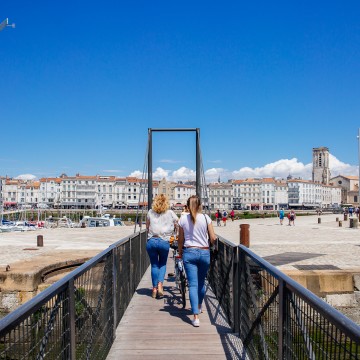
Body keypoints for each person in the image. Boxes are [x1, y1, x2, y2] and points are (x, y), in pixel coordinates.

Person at [178, 195, 217, 327]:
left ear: (188, 206)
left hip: (189, 253)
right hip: (204, 252)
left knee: (193, 285)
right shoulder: (206, 218)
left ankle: (195, 316)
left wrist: (180, 251)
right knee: (201, 283)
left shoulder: (183, 219)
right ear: (200, 205)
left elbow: (181, 239)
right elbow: (212, 238)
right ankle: (199, 305)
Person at [146, 194, 178, 299]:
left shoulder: (150, 212)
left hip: (151, 241)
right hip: (164, 241)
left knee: (154, 265)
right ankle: (160, 284)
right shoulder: (170, 213)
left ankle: (154, 289)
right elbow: (177, 223)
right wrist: (174, 233)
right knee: (162, 264)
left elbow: (147, 226)